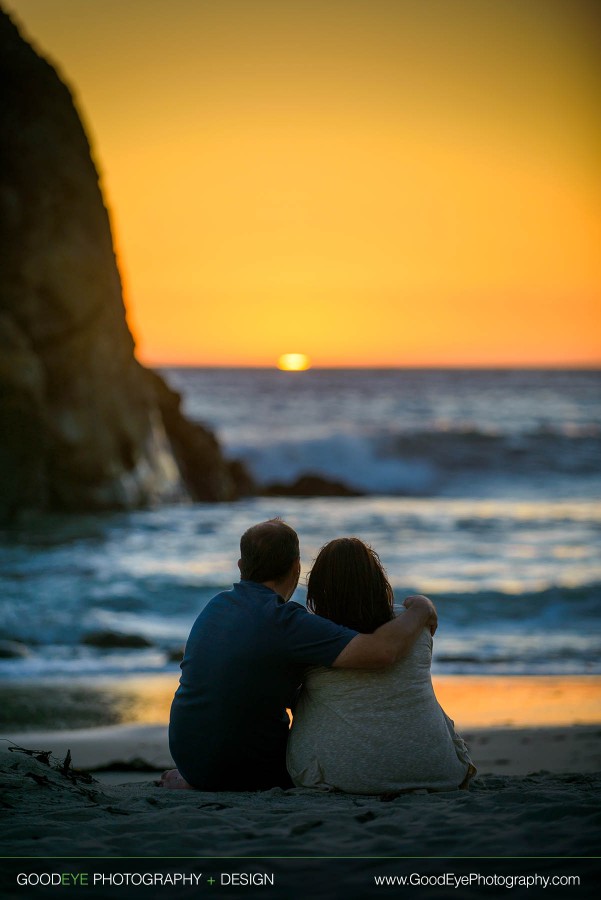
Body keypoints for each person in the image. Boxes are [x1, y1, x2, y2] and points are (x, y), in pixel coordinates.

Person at [162, 518, 437, 791]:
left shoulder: (216, 606)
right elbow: (382, 652)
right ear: (296, 568)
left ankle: (195, 781)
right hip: (245, 769)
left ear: (241, 566)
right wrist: (421, 609)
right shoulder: (286, 621)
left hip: (189, 757)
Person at [287, 537, 475, 794]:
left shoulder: (312, 633)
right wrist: (423, 606)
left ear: (318, 586)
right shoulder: (414, 626)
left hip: (340, 775)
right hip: (438, 770)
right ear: (377, 580)